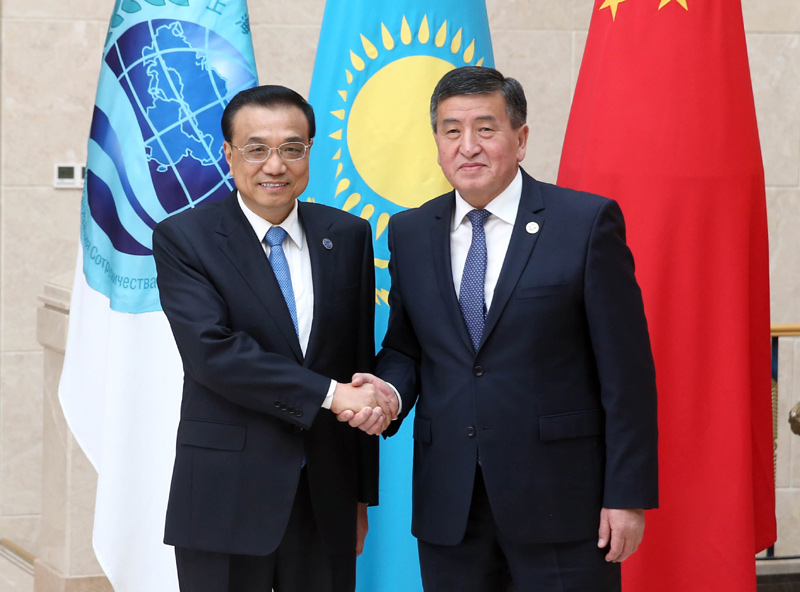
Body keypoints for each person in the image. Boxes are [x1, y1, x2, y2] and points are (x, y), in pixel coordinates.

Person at [344, 67, 658, 591]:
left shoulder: (584, 223)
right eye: (451, 131)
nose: (468, 146)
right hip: (451, 507)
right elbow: (406, 348)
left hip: (563, 505)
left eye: (485, 129)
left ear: (521, 138)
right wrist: (389, 393)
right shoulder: (410, 231)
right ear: (437, 142)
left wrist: (626, 495)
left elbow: (626, 375)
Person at [153, 85, 389, 592]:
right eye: (256, 148)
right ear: (229, 154)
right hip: (225, 497)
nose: (275, 165)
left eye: (292, 148)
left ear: (310, 151)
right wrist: (330, 395)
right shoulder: (185, 238)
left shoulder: (347, 234)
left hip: (325, 498)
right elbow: (213, 353)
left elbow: (357, 362)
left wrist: (358, 498)